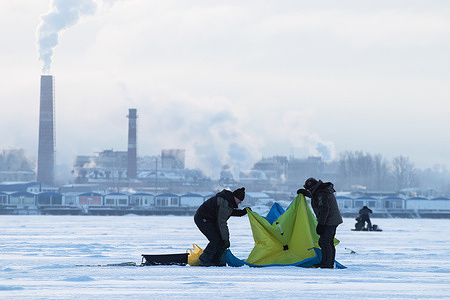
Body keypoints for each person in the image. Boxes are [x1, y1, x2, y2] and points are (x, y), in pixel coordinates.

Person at [194, 187, 248, 266]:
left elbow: (228, 212)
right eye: (240, 200)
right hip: (203, 219)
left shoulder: (228, 201)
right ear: (235, 197)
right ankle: (205, 260)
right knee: (216, 240)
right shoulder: (224, 202)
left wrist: (242, 212)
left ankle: (216, 261)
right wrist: (226, 239)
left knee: (219, 241)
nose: (240, 202)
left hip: (209, 220)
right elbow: (221, 222)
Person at [297, 177, 343, 269]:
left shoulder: (322, 193)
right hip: (331, 219)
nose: (308, 190)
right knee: (328, 242)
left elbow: (324, 209)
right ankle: (328, 263)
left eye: (308, 189)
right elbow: (315, 195)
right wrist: (306, 193)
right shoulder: (321, 190)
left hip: (330, 221)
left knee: (324, 241)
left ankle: (327, 264)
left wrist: (321, 224)